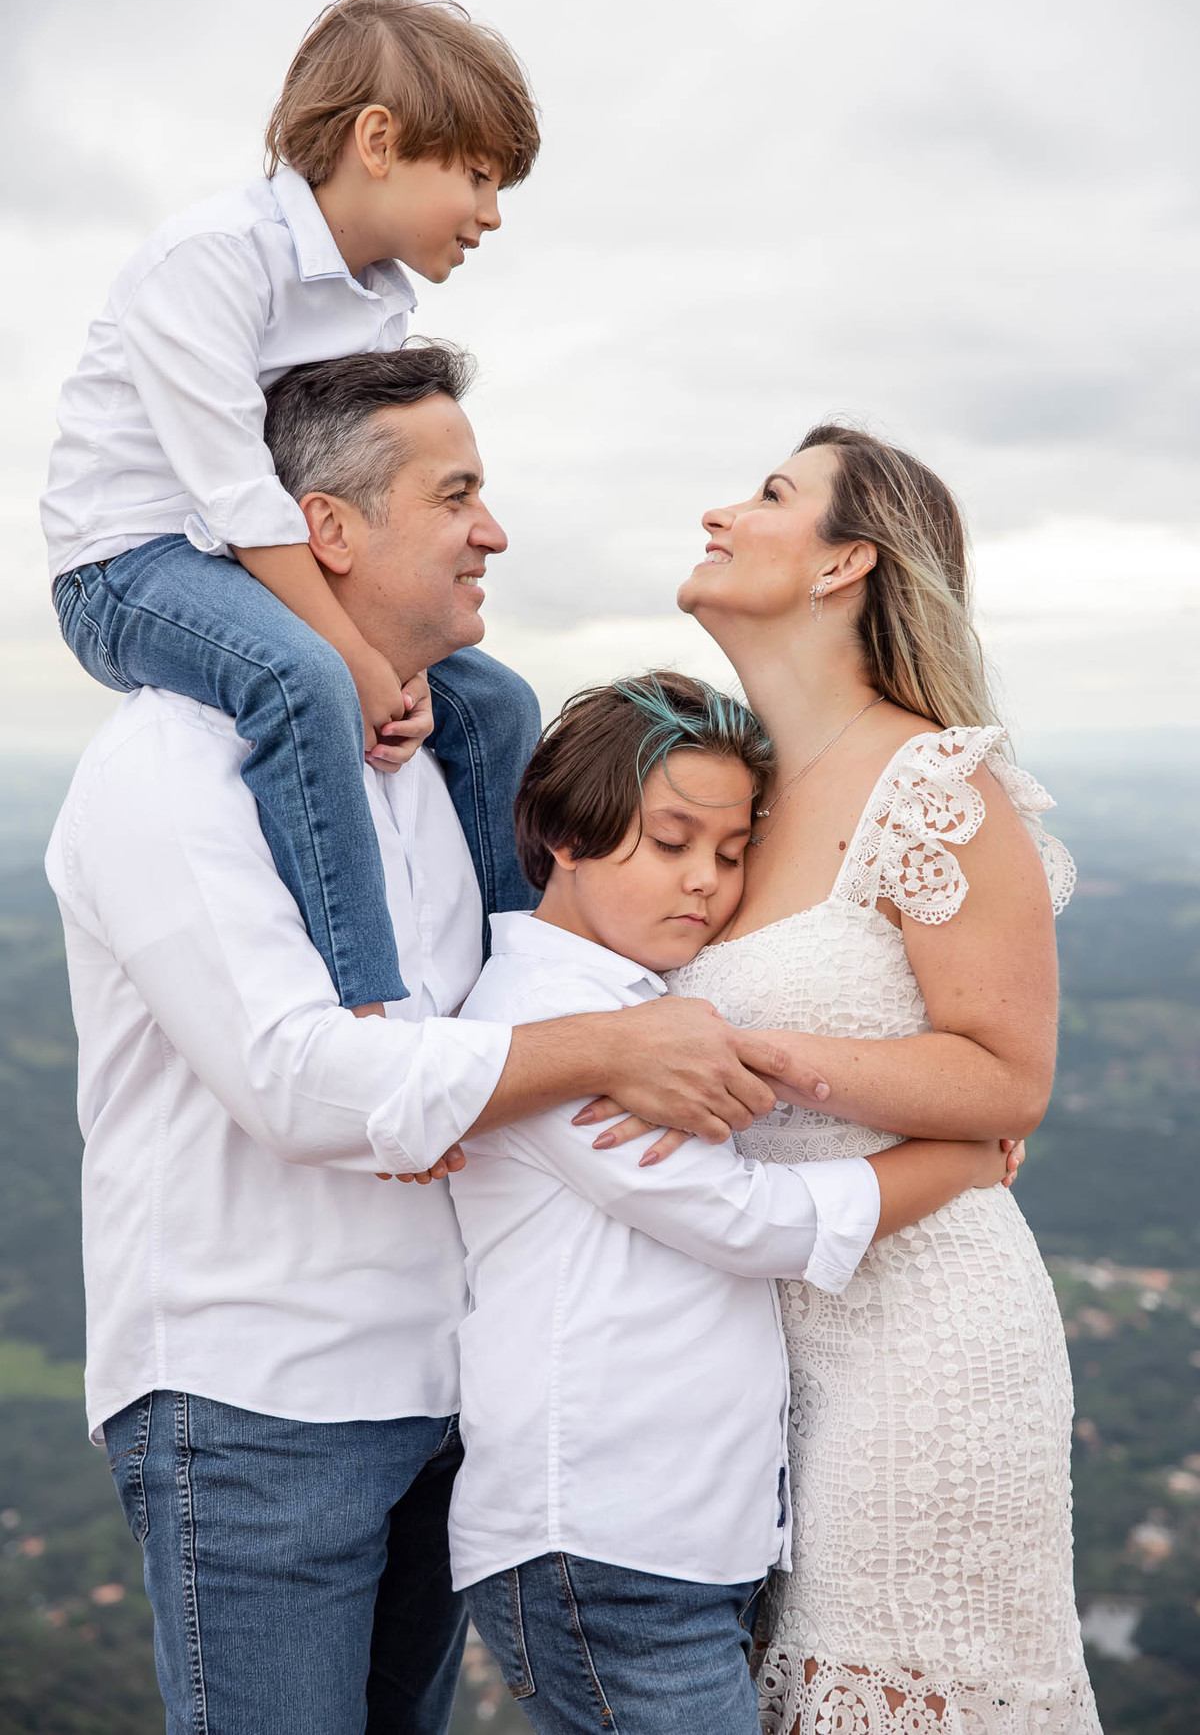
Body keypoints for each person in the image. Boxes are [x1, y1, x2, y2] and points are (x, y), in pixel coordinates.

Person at [44, 347, 815, 1735]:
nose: (493, 531)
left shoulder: (436, 761)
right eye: (455, 495)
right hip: (258, 1405)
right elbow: (297, 1080)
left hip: (452, 1400)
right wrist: (602, 1052)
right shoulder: (169, 767)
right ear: (326, 528)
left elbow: (538, 970)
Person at [449, 671, 1023, 1735]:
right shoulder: (551, 1018)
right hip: (601, 1545)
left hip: (679, 1541)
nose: (705, 882)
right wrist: (964, 1155)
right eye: (671, 843)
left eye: (729, 852)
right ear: (565, 835)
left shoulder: (644, 1004)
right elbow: (750, 1219)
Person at [657, 424, 1101, 1732]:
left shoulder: (935, 785)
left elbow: (1007, 1078)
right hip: (753, 1362)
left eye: (769, 494)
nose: (719, 512)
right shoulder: (735, 784)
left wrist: (761, 1057)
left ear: (844, 561)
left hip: (922, 1344)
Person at [42, 0, 541, 1016]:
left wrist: (403, 660)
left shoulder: (379, 301)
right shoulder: (214, 258)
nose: (491, 215)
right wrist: (357, 656)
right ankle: (367, 1004)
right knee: (303, 679)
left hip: (263, 561)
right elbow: (236, 492)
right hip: (132, 564)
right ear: (378, 141)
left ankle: (526, 990)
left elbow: (332, 485)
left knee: (494, 705)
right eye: (479, 177)